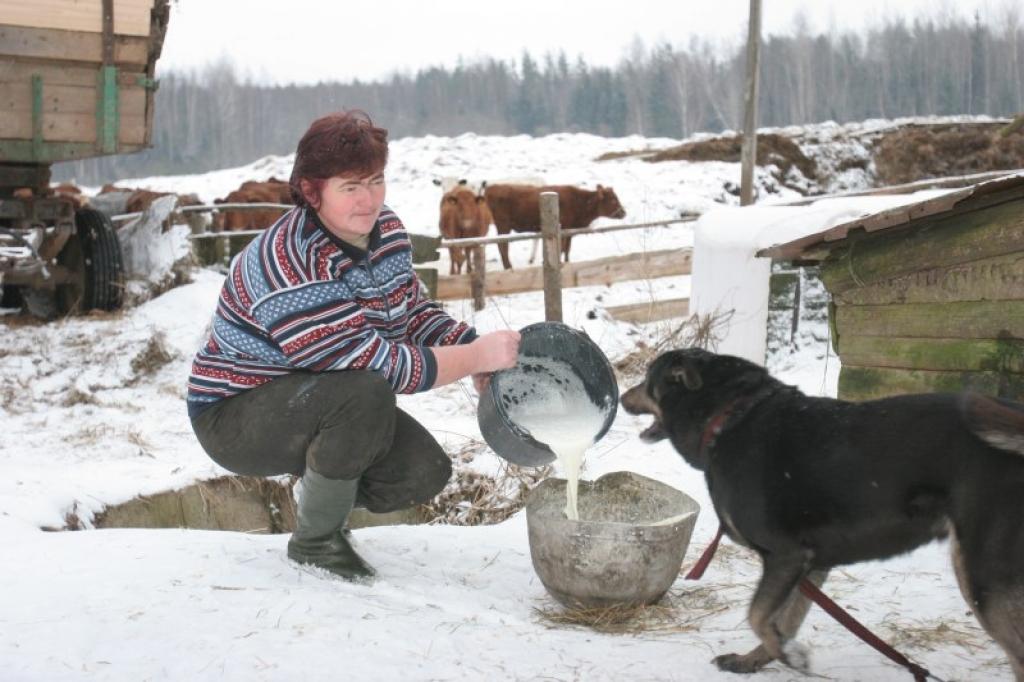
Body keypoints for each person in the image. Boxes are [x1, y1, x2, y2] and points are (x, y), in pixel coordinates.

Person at [187, 110, 520, 580]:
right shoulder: (289, 261)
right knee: (365, 390)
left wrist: (473, 346)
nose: (369, 200)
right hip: (235, 412)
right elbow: (377, 366)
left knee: (423, 472)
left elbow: (411, 313)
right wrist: (473, 358)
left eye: (376, 181)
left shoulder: (386, 232)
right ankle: (317, 542)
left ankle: (318, 491)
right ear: (311, 191)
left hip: (321, 394)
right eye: (350, 187)